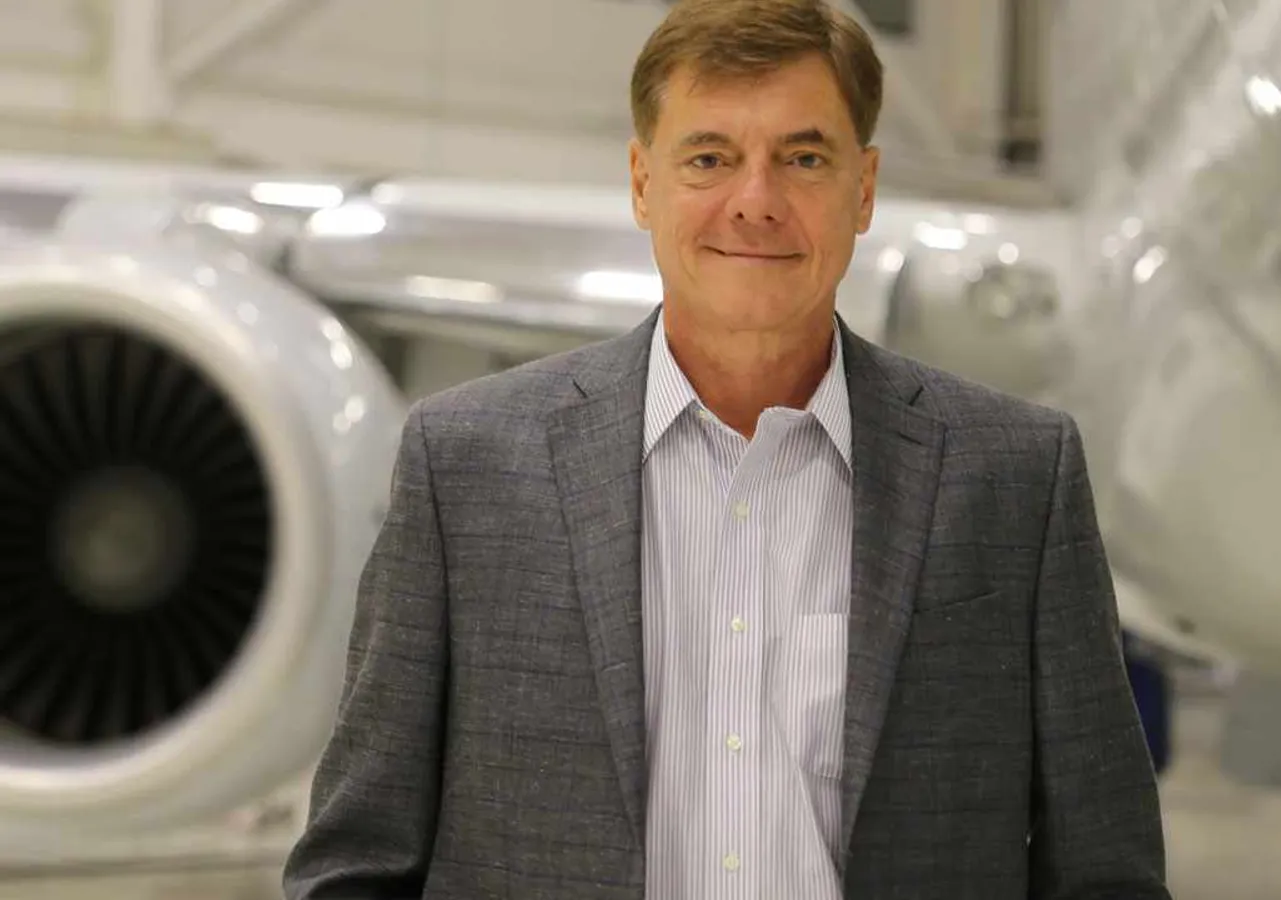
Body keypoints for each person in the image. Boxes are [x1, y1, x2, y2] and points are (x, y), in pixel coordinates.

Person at [281, 0, 1171, 897]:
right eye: (709, 159)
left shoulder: (1016, 478)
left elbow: (1105, 872)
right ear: (642, 183)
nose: (756, 202)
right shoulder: (467, 465)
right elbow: (359, 861)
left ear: (863, 189)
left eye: (804, 158)